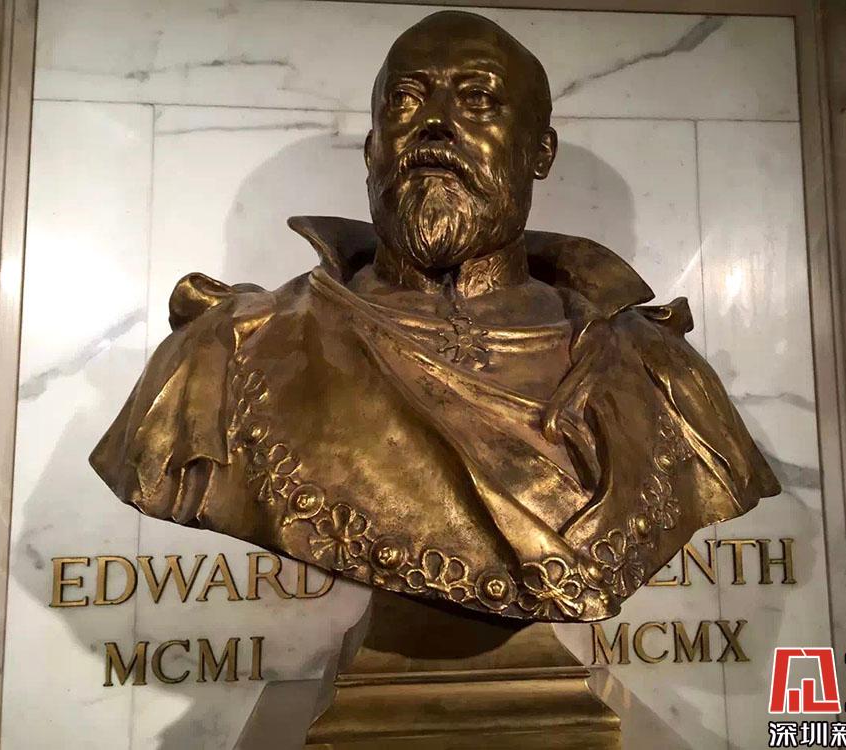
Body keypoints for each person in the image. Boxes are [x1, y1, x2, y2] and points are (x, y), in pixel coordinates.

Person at [91, 11, 779, 623]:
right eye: (405, 99)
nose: (435, 124)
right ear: (372, 149)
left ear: (540, 152)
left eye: (477, 99)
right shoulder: (229, 354)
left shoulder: (657, 371)